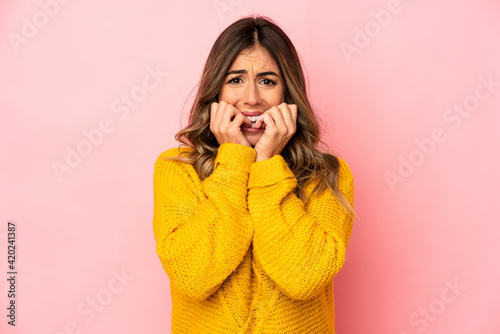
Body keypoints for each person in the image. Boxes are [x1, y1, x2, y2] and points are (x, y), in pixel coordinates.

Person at [153, 15, 355, 334]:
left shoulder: (327, 175)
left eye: (267, 81)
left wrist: (266, 164)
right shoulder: (177, 168)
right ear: (215, 91)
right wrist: (234, 159)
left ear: (287, 93)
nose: (251, 98)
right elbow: (193, 276)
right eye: (235, 80)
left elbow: (305, 278)